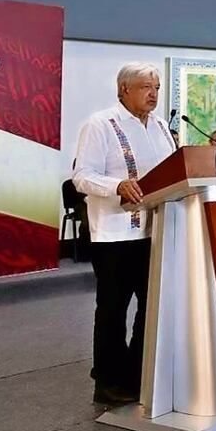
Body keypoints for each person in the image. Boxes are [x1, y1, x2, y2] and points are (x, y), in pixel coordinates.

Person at [73, 62, 176, 405]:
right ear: (123, 90)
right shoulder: (100, 124)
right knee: (113, 310)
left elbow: (175, 170)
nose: (153, 94)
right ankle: (107, 380)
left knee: (151, 307)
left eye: (157, 87)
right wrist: (116, 184)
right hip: (115, 236)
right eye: (146, 86)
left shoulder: (162, 127)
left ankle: (136, 373)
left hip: (157, 232)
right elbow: (82, 176)